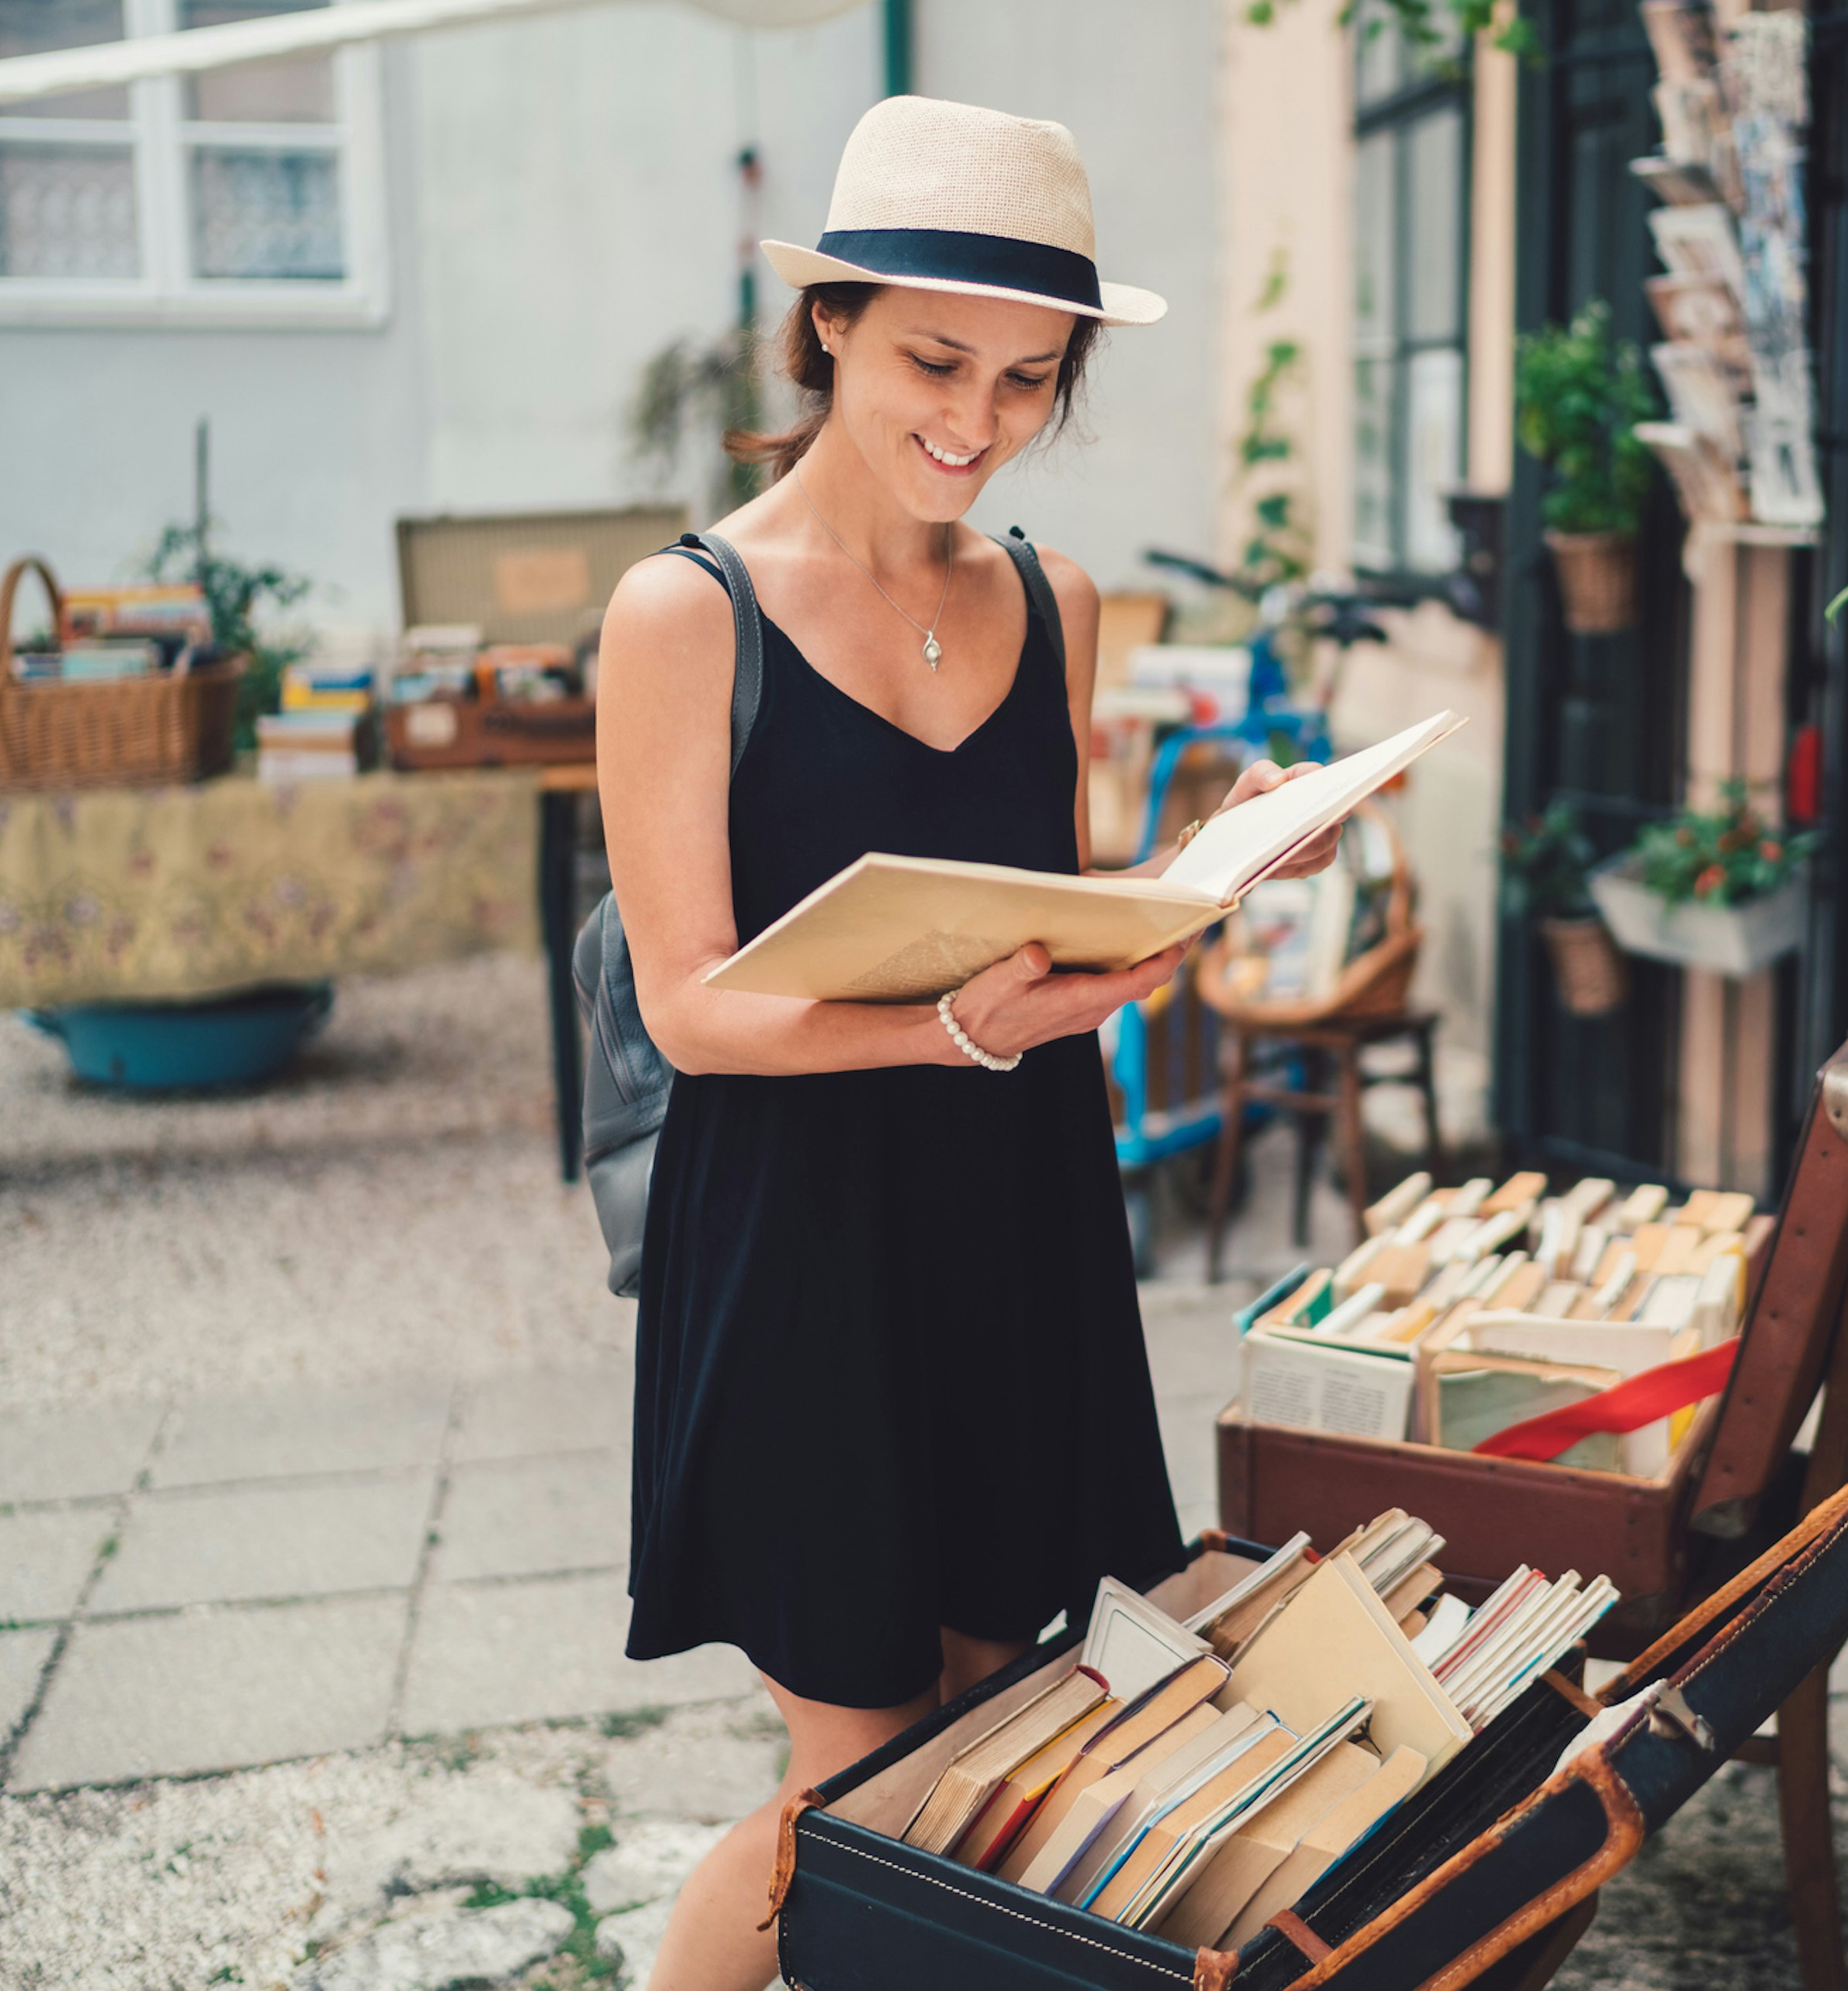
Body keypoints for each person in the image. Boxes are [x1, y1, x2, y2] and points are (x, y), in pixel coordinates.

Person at [593, 96, 1340, 1991]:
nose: (979, 417)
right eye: (938, 357)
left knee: (1011, 1733)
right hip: (800, 1245)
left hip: (1016, 1222)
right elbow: (689, 1002)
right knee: (860, 1783)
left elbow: (1042, 931)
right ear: (829, 321)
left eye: (1029, 378)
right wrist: (939, 1024)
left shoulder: (1053, 599)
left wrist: (1203, 874)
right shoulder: (685, 614)